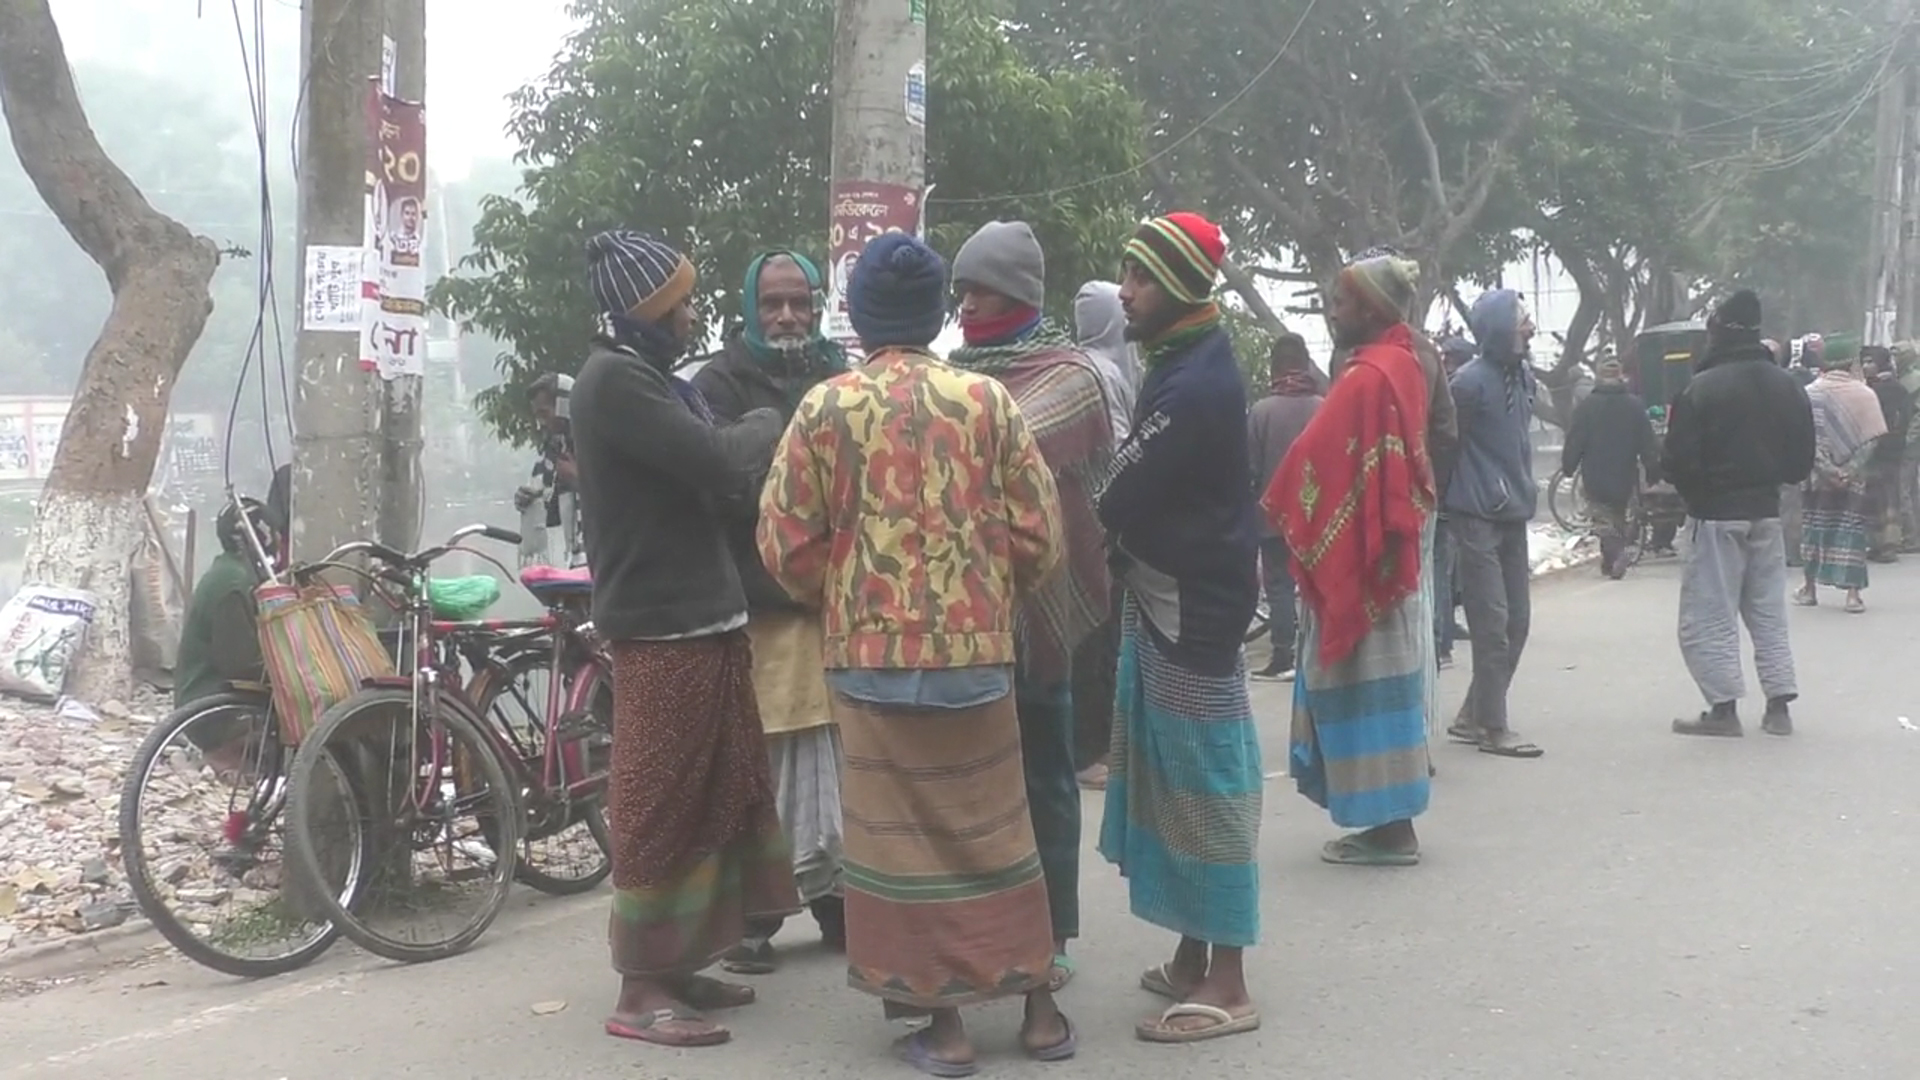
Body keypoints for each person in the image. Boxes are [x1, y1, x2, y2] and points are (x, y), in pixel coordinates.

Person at [757, 232, 1074, 1074]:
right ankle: (1039, 1012)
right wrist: (985, 588)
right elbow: (1041, 537)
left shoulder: (826, 408)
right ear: (938, 315)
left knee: (900, 842)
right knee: (999, 832)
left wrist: (852, 584)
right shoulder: (987, 400)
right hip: (978, 658)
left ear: (858, 319)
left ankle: (947, 1027)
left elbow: (784, 543)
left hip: (871, 661)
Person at [569, 228, 798, 1049]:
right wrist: (770, 420)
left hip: (706, 616)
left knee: (715, 791)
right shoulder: (615, 383)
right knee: (659, 801)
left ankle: (682, 960)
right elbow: (716, 461)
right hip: (663, 625)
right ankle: (639, 985)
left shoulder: (651, 378)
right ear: (645, 313)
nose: (690, 316)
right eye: (680, 305)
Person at [1096, 212, 1263, 1044]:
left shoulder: (1193, 383)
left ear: (1186, 287)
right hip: (1171, 593)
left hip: (1191, 603)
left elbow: (1122, 489)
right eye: (1125, 273)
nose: (1127, 290)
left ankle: (1229, 980)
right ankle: (1194, 953)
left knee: (1207, 785)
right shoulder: (1182, 360)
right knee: (1174, 777)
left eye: (1143, 277)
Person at [948, 220, 1116, 994]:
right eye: (961, 292)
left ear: (1017, 293)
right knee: (977, 784)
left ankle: (1054, 930)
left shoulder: (1070, 375)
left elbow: (1008, 444)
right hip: (968, 613)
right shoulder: (958, 374)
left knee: (1046, 773)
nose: (968, 306)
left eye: (980, 290)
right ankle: (986, 932)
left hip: (1044, 608)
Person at [691, 250, 850, 974]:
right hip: (759, 606)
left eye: (799, 302)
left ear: (817, 305)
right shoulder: (717, 385)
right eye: (772, 304)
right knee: (766, 764)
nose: (787, 316)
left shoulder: (844, 378)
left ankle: (838, 900)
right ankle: (755, 915)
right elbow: (714, 484)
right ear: (751, 309)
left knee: (841, 761)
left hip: (836, 606)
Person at [1266, 252, 1434, 866]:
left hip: (1363, 561)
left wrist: (1287, 505)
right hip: (1386, 557)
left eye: (1339, 302)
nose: (1332, 312)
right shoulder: (1401, 363)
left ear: (1369, 308)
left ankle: (1390, 832)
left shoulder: (1368, 376)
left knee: (1366, 688)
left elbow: (1317, 463)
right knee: (1386, 687)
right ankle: (1391, 823)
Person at [1661, 290, 1814, 737]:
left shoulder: (1700, 387)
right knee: (1768, 612)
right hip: (1766, 512)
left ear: (1719, 333)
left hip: (1714, 515)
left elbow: (1676, 461)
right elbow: (1801, 461)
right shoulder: (1787, 385)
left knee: (1710, 614)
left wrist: (1698, 494)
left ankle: (1723, 710)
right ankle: (1779, 707)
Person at [1445, 289, 1544, 759]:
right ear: (1499, 328)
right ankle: (1492, 726)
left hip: (1514, 512)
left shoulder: (1523, 376)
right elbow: (1446, 445)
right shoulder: (1467, 384)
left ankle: (1473, 714)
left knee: (1518, 622)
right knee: (1491, 624)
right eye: (1521, 320)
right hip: (1476, 515)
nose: (1529, 327)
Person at [1070, 281, 1136, 792]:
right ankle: (1089, 751)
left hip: (1087, 522)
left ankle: (1098, 743)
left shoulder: (1086, 364)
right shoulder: (1105, 370)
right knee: (1097, 638)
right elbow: (1116, 448)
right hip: (1101, 524)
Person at [175, 497, 281, 772]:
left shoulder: (231, 572)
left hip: (206, 700)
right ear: (262, 537)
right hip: (213, 711)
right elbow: (243, 664)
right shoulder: (233, 584)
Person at [1245, 332, 1322, 681]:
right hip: (1319, 519)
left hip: (1272, 519)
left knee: (1277, 586)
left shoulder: (1261, 412)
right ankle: (1319, 652)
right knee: (1317, 585)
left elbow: (1250, 470)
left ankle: (1283, 656)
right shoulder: (1324, 408)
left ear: (1274, 367)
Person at [1794, 343, 1887, 614]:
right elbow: (1872, 438)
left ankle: (1809, 589)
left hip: (1816, 478)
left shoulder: (1809, 394)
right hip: (1853, 478)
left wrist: (1827, 470)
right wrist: (1849, 471)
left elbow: (1806, 440)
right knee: (1851, 531)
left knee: (1814, 530)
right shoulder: (1865, 394)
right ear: (1851, 364)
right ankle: (1853, 595)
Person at [1562, 357, 1659, 579]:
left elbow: (1575, 439)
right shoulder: (1634, 405)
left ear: (1599, 377)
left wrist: (1568, 465)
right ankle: (1610, 562)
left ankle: (1615, 554)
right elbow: (1647, 441)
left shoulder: (1587, 406)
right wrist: (1652, 468)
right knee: (1617, 515)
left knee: (1601, 517)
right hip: (1624, 471)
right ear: (1620, 377)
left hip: (1595, 472)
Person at [515, 373, 580, 567]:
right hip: (571, 561)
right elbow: (553, 518)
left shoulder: (599, 445)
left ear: (564, 406)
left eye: (544, 413)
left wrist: (578, 480)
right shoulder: (551, 455)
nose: (541, 423)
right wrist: (528, 501)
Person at [1862, 348, 1912, 561]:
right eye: (1863, 361)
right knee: (1884, 496)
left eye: (1870, 361)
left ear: (1881, 364)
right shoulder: (1896, 388)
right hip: (1893, 447)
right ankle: (1883, 543)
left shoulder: (1877, 390)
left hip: (1880, 448)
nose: (1865, 366)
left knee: (1882, 497)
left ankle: (1886, 544)